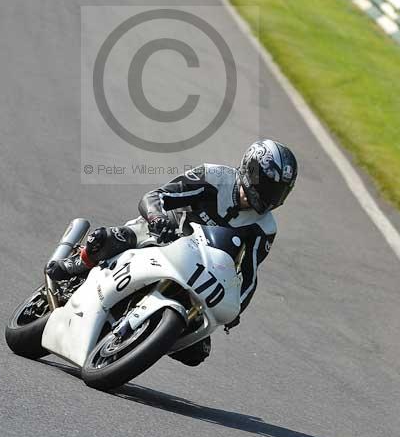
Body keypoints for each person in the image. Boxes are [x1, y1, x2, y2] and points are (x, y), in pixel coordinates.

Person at [46, 139, 298, 366]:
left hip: (199, 269)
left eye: (278, 191)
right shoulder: (213, 176)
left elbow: (249, 274)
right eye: (267, 187)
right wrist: (157, 217)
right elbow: (157, 196)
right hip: (162, 234)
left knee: (196, 352)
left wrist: (235, 308)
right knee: (107, 239)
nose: (270, 197)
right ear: (250, 170)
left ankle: (143, 335)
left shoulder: (265, 228)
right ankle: (79, 263)